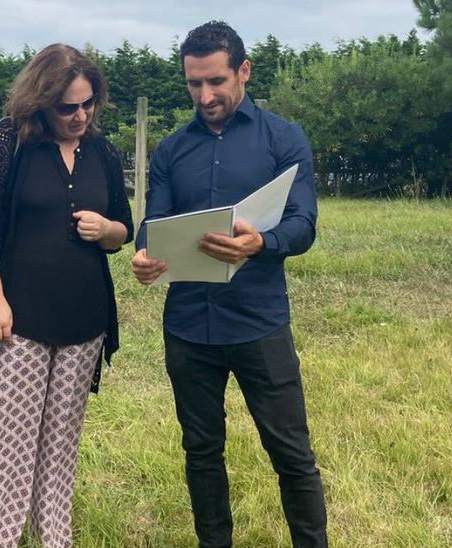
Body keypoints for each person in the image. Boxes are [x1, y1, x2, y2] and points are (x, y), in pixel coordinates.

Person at [131, 21, 328, 548]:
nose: (206, 95)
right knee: (201, 450)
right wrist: (145, 257)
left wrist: (260, 242)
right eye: (194, 83)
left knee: (291, 453)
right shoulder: (172, 150)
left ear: (244, 70)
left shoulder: (283, 139)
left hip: (260, 322)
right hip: (190, 326)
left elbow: (303, 224)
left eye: (216, 81)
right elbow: (153, 225)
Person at [0, 43, 133, 548]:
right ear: (41, 99)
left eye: (88, 104)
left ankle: (54, 538)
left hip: (84, 321)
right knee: (0, 447)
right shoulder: (8, 142)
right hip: (16, 321)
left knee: (59, 448)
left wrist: (108, 229)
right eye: (67, 107)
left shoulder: (103, 152)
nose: (80, 116)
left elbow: (126, 230)